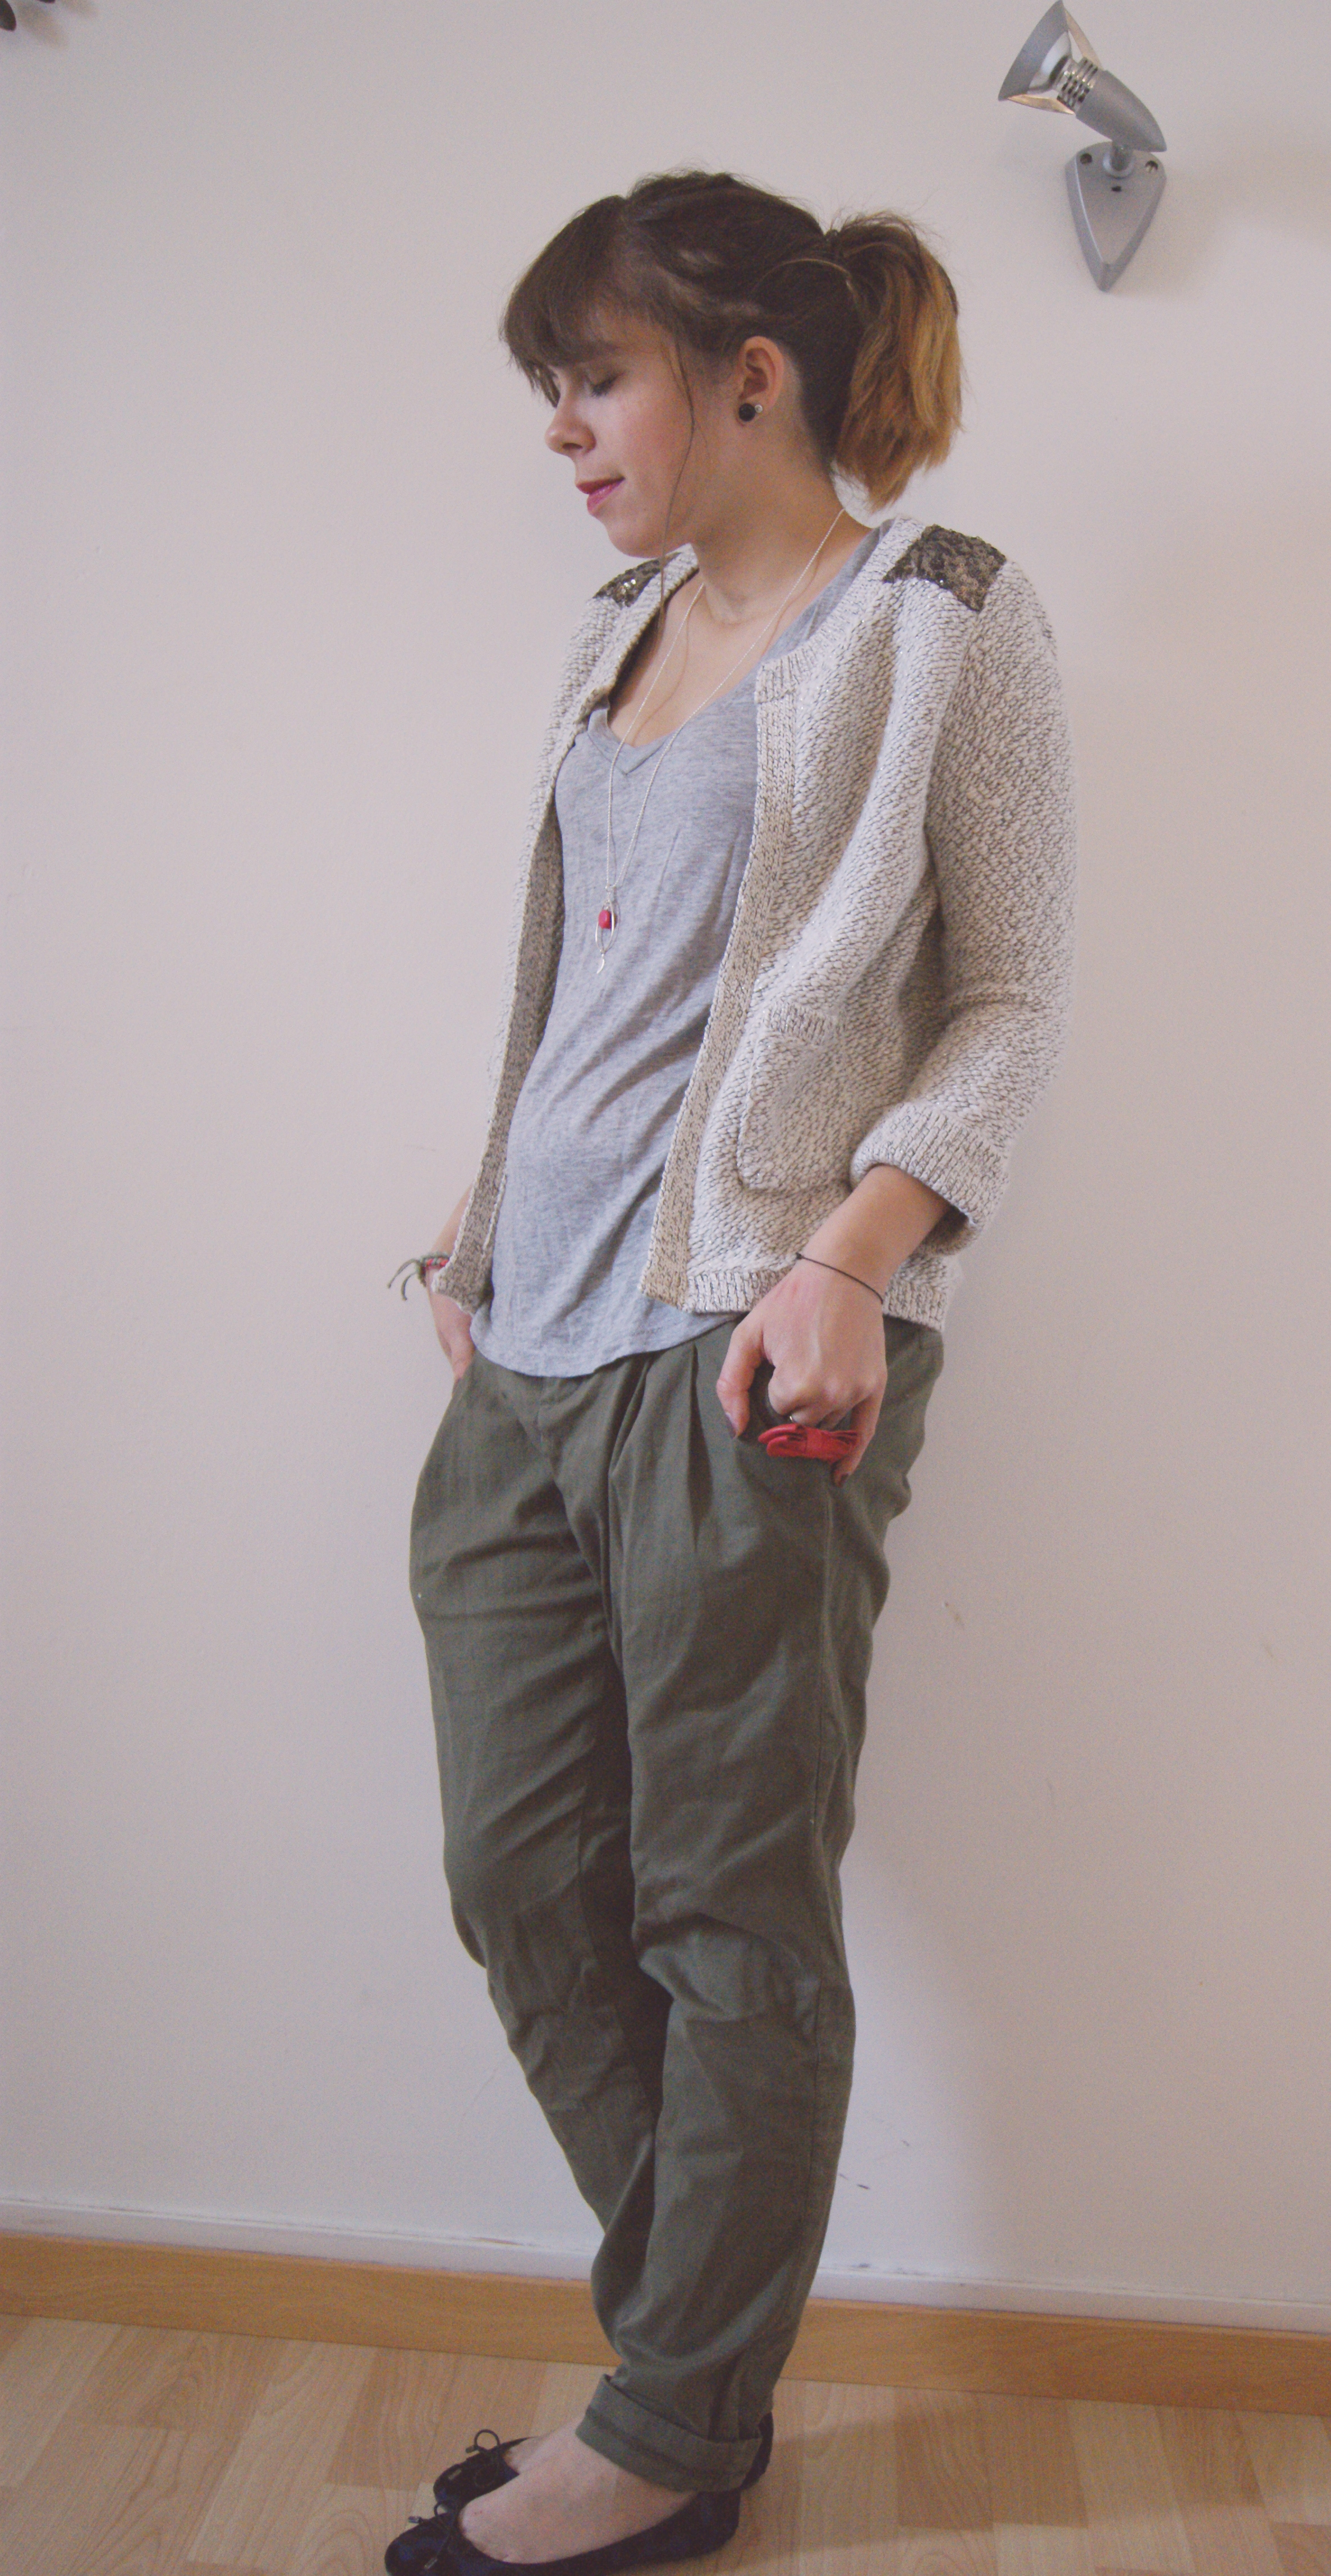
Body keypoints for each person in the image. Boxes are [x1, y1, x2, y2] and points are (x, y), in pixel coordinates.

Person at [389, 169, 1076, 2576]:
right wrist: (481, 1220)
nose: (562, 430)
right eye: (552, 388)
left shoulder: (936, 619)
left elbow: (1009, 997)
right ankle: (685, 2375)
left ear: (748, 375)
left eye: (595, 378)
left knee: (725, 1912)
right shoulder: (618, 629)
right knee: (519, 1878)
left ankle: (669, 2426)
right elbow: (592, 981)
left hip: (743, 1351)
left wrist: (852, 1261)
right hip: (526, 1349)